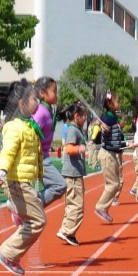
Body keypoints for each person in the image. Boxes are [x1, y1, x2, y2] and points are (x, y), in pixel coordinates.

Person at [0, 79, 45, 275]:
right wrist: (1, 170)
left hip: (24, 181)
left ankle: (16, 211)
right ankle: (7, 253)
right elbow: (8, 151)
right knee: (38, 221)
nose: (38, 102)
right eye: (34, 99)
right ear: (22, 103)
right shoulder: (15, 127)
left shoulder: (28, 125)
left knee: (36, 209)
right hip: (17, 182)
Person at [56, 102, 88, 246]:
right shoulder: (72, 130)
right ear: (76, 116)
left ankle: (69, 232)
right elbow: (69, 149)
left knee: (72, 204)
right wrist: (80, 148)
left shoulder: (75, 129)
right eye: (84, 116)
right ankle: (66, 230)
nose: (85, 119)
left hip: (74, 173)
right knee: (77, 205)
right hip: (73, 174)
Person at [32, 77, 66, 206]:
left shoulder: (47, 110)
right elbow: (30, 131)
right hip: (39, 158)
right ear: (42, 93)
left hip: (43, 157)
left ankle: (27, 207)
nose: (56, 94)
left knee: (56, 186)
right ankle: (29, 207)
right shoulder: (41, 112)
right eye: (54, 91)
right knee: (59, 185)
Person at [94, 92, 127, 223]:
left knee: (114, 183)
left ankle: (103, 208)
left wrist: (128, 144)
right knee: (113, 183)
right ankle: (101, 207)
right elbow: (96, 138)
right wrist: (99, 126)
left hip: (112, 154)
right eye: (117, 101)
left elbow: (117, 137)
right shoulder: (107, 119)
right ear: (109, 104)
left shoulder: (112, 117)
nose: (119, 104)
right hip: (107, 155)